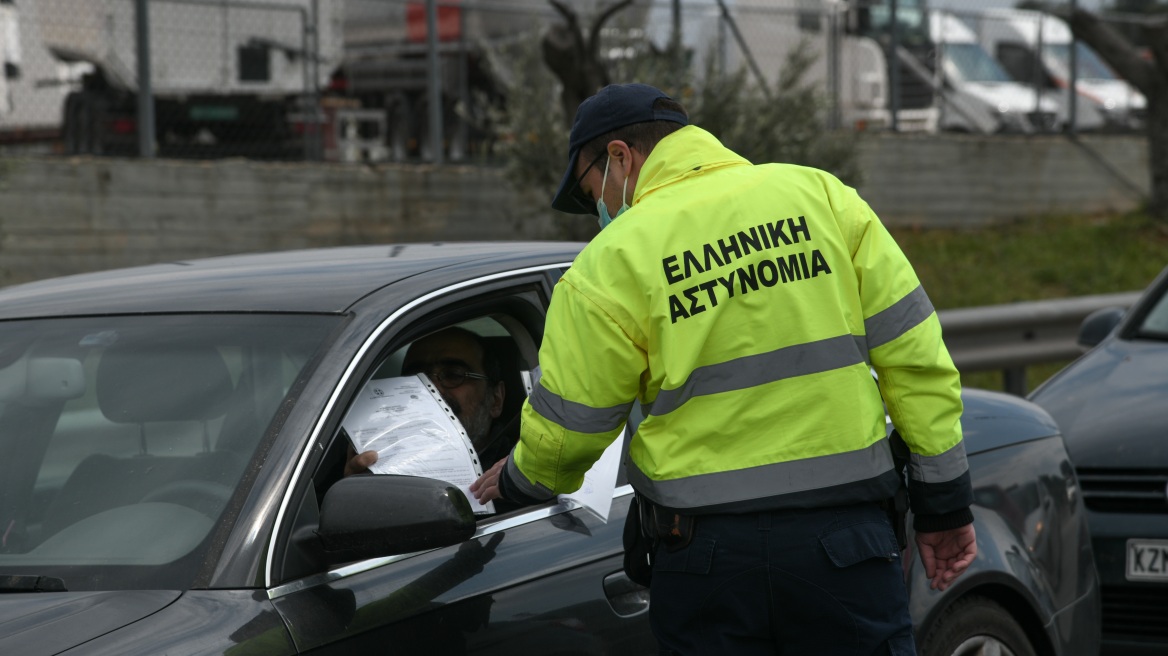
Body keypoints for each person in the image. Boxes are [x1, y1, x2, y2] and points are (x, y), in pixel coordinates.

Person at [471, 83, 977, 654]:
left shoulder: (609, 263)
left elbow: (570, 430)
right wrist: (944, 504)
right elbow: (918, 361)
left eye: (593, 196)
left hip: (706, 561)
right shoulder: (824, 199)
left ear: (619, 156)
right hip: (846, 546)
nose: (601, 213)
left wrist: (514, 480)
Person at [346, 327, 511, 477]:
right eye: (416, 378)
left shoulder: (518, 475)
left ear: (496, 399)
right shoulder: (371, 456)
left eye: (453, 375)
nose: (431, 389)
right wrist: (357, 488)